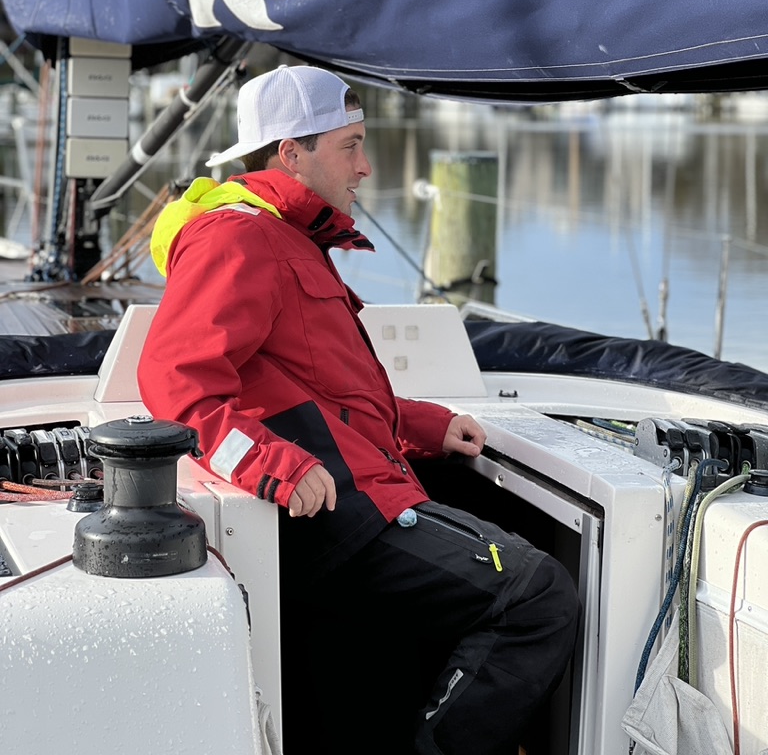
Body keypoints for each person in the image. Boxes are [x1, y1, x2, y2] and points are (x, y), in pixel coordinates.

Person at [137, 63, 579, 755]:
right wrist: (268, 465)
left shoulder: (291, 240)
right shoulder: (240, 237)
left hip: (361, 495)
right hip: (340, 517)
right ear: (292, 152)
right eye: (350, 145)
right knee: (536, 593)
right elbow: (176, 387)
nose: (366, 166)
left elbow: (328, 392)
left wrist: (428, 425)